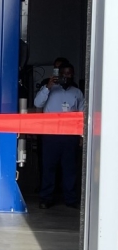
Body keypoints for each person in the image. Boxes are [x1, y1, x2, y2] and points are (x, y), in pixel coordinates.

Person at [33, 62, 84, 209]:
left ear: (72, 74)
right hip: (51, 135)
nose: (66, 76)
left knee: (69, 169)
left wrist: (81, 137)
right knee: (48, 167)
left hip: (70, 136)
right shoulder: (49, 89)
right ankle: (45, 198)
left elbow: (82, 115)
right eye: (63, 74)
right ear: (58, 74)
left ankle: (71, 199)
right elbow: (37, 103)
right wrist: (48, 86)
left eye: (69, 73)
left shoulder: (77, 92)